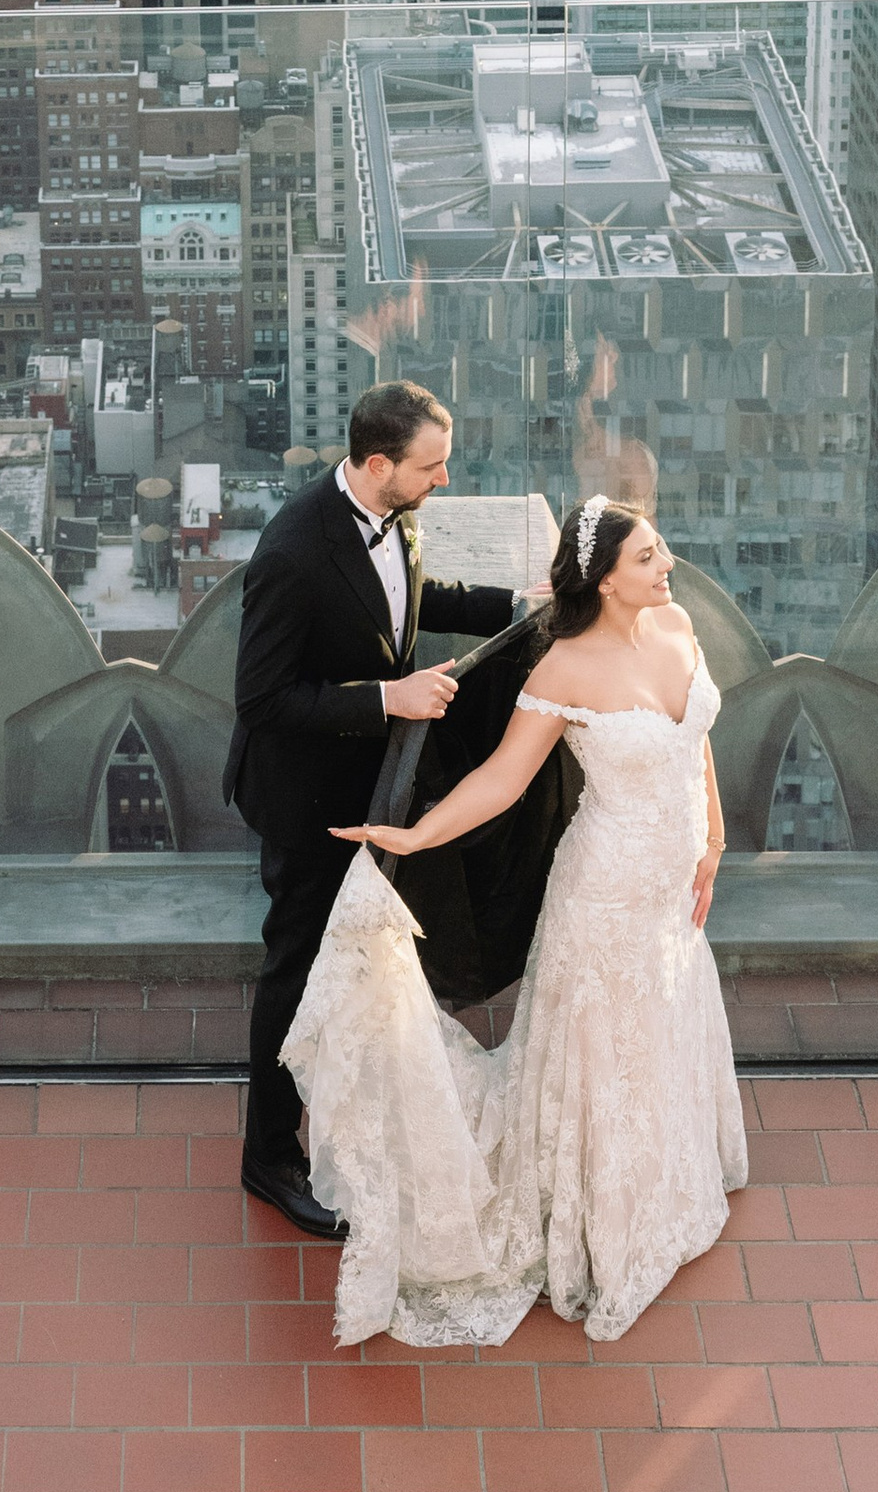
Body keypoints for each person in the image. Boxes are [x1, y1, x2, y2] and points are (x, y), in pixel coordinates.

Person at [283, 491, 747, 1350]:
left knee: (660, 1026)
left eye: (660, 549)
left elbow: (697, 738)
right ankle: (598, 1218)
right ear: (605, 579)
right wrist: (414, 833)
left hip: (670, 886)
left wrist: (714, 837)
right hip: (605, 891)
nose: (666, 564)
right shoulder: (563, 668)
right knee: (607, 1045)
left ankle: (661, 1170)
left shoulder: (679, 622)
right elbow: (500, 780)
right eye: (646, 556)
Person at [225, 379, 519, 1238]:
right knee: (295, 968)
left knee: (357, 958)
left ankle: (360, 1105)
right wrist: (386, 699)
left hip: (370, 786)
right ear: (380, 462)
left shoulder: (395, 506)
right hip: (306, 799)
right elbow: (261, 700)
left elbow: (409, 598)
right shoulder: (290, 552)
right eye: (432, 466)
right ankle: (268, 1156)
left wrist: (518, 605)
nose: (444, 479)